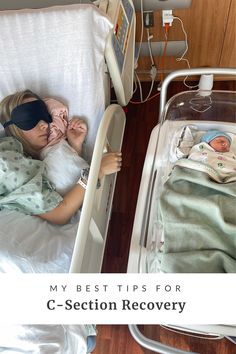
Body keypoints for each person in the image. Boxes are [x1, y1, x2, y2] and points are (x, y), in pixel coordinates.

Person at [0, 90, 122, 225]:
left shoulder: (29, 160)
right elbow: (59, 214)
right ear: (12, 127)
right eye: (30, 118)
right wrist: (97, 172)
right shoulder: (7, 161)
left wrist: (75, 146)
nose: (45, 125)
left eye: (44, 116)